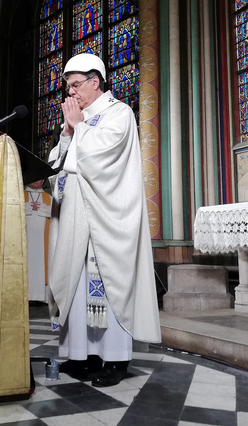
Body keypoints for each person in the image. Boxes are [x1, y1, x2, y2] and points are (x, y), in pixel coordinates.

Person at [47, 53, 161, 388]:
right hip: (76, 220)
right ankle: (82, 357)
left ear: (96, 82)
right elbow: (59, 165)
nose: (72, 94)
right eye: (68, 88)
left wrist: (77, 127)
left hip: (107, 221)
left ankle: (115, 359)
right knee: (78, 286)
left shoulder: (119, 113)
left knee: (108, 284)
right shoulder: (79, 120)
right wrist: (67, 134)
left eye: (76, 85)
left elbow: (102, 158)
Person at [24, 180, 52, 303]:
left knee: (42, 263)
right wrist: (27, 207)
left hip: (43, 241)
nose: (37, 181)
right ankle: (25, 296)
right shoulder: (20, 194)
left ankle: (42, 297)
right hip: (26, 240)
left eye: (41, 179)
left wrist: (44, 208)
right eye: (35, 178)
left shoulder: (48, 197)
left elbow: (57, 213)